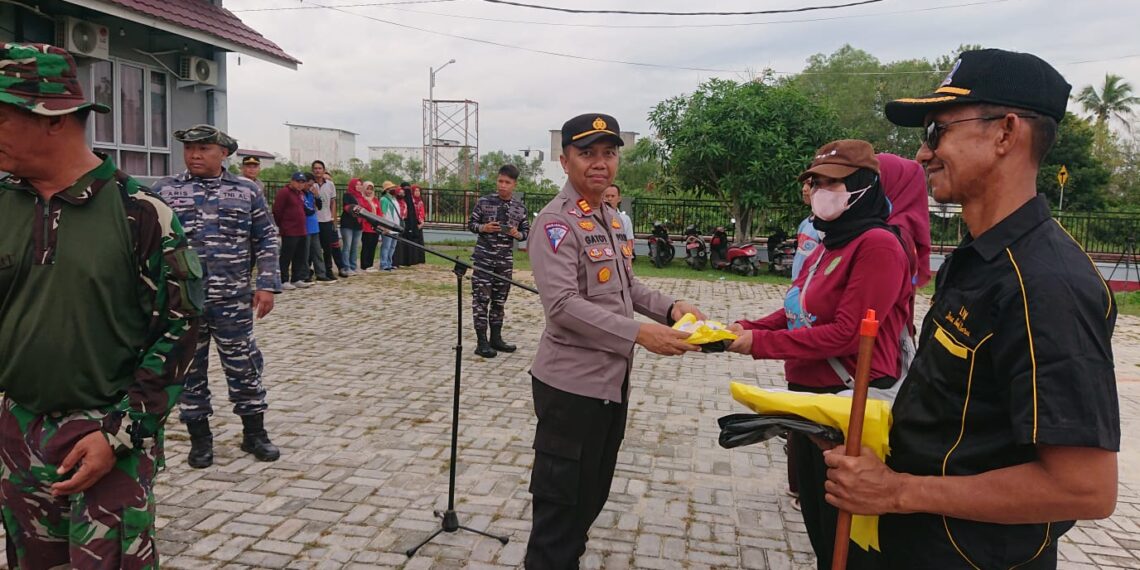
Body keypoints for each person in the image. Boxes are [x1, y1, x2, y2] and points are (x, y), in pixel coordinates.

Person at [822, 49, 1121, 569]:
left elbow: (1084, 489)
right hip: (919, 545)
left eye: (936, 131)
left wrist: (896, 493)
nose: (920, 154)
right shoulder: (982, 256)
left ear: (1006, 133)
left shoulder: (1045, 283)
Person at [0, 43, 202, 569]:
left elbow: (181, 330)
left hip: (106, 434)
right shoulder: (3, 204)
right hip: (17, 432)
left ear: (51, 118)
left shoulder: (140, 213)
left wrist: (120, 434)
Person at [526, 113, 706, 568]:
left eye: (609, 153)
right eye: (587, 153)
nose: (600, 163)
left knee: (590, 496)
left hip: (610, 383)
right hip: (571, 388)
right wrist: (640, 332)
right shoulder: (556, 224)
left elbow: (626, 288)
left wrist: (670, 308)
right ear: (565, 160)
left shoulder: (605, 216)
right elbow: (563, 305)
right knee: (560, 507)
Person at [725, 139, 913, 570]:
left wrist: (759, 345)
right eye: (816, 181)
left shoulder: (877, 245)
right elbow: (799, 309)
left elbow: (848, 335)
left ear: (863, 186)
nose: (820, 189)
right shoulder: (832, 239)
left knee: (843, 541)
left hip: (847, 407)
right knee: (818, 526)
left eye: (834, 182)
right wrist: (748, 327)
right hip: (812, 405)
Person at [154, 124, 282, 468]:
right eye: (189, 148)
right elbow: (146, 244)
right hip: (182, 302)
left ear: (223, 153)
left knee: (243, 365)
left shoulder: (246, 191)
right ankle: (200, 439)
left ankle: (254, 433)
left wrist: (266, 284)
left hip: (232, 299)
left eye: (204, 149)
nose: (194, 155)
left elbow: (267, 238)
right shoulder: (164, 191)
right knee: (188, 370)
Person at [467, 164, 531, 357]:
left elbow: (526, 232)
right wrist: (483, 228)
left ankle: (496, 338)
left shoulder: (519, 208)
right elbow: (471, 224)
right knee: (481, 300)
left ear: (514, 184)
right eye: (500, 181)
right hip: (484, 259)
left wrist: (516, 233)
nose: (502, 185)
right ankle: (481, 342)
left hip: (504, 261)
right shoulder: (484, 202)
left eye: (507, 182)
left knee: (499, 301)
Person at [272, 172, 313, 289]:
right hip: (289, 229)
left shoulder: (300, 194)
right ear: (292, 181)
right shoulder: (284, 192)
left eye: (302, 182)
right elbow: (277, 210)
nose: (300, 184)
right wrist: (281, 225)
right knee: (286, 255)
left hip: (301, 229)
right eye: (298, 181)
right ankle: (283, 279)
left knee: (300, 255)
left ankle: (296, 278)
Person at [312, 160, 344, 279]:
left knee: (327, 247)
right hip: (314, 220)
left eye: (320, 168)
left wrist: (333, 219)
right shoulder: (310, 184)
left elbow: (333, 202)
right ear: (312, 170)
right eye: (315, 168)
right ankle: (313, 271)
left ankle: (328, 270)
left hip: (326, 220)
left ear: (324, 170)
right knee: (313, 248)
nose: (317, 170)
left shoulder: (330, 185)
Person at [302, 172, 331, 282]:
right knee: (305, 254)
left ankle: (321, 274)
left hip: (314, 226)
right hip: (305, 226)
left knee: (317, 252)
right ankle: (305, 274)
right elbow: (307, 210)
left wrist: (317, 195)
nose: (310, 187)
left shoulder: (310, 193)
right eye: (309, 185)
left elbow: (319, 206)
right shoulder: (301, 194)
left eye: (312, 185)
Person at [791, 180, 822, 280]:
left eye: (810, 184)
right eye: (804, 184)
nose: (804, 189)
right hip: (797, 283)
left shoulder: (825, 227)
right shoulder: (805, 223)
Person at [602, 183, 634, 260]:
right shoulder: (597, 217)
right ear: (602, 198)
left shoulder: (625, 219)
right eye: (607, 196)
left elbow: (629, 241)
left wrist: (628, 261)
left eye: (612, 196)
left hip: (620, 258)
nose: (609, 199)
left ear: (619, 199)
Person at [340, 178, 365, 275]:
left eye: (360, 184)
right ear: (352, 185)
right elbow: (347, 207)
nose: (359, 186)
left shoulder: (361, 197)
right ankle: (346, 267)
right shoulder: (347, 195)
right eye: (357, 184)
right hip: (348, 224)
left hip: (358, 225)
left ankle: (353, 266)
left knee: (355, 247)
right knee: (347, 246)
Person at [399, 181, 426, 266]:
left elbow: (418, 213)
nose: (417, 193)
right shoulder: (404, 200)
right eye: (415, 191)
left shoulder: (418, 201)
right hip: (405, 224)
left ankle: (415, 259)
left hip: (415, 224)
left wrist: (421, 222)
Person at [358, 181, 382, 271]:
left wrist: (379, 222)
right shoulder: (362, 199)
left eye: (371, 189)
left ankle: (370, 264)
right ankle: (365, 265)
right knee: (366, 246)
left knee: (373, 245)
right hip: (366, 226)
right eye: (367, 189)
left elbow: (379, 211)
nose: (369, 191)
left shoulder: (375, 199)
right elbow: (363, 212)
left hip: (375, 227)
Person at [379, 180, 402, 271]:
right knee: (386, 246)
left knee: (392, 247)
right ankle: (383, 264)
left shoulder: (394, 199)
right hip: (388, 226)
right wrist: (384, 226)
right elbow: (383, 213)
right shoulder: (384, 199)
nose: (394, 189)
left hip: (395, 226)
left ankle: (389, 263)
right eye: (392, 188)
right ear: (387, 190)